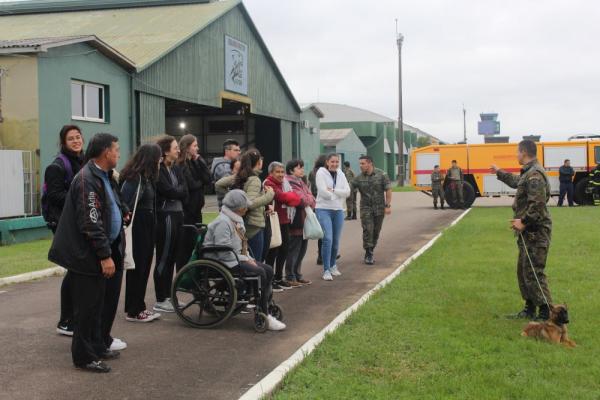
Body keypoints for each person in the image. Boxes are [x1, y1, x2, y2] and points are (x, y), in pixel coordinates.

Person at [48, 133, 127, 373]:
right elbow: (89, 222)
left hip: (102, 249)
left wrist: (122, 212)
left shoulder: (104, 176)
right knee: (86, 307)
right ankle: (83, 356)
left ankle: (97, 345)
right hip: (86, 255)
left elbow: (112, 203)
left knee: (99, 304)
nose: (119, 153)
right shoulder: (86, 179)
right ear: (105, 152)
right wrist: (104, 255)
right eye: (116, 149)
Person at [203, 190, 286, 331]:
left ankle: (265, 304)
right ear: (236, 208)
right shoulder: (223, 222)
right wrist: (245, 260)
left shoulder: (235, 220)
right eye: (244, 206)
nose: (247, 208)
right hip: (223, 262)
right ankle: (263, 312)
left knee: (268, 270)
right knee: (260, 272)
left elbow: (241, 246)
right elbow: (223, 251)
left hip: (234, 258)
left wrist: (248, 258)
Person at [491, 139, 553, 321]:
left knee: (534, 271)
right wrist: (499, 172)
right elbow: (516, 181)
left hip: (536, 231)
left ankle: (546, 311)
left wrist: (523, 222)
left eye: (518, 152)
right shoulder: (528, 174)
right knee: (524, 270)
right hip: (528, 233)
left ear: (524, 152)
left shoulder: (534, 175)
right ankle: (529, 308)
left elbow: (538, 205)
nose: (516, 155)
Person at [42, 125, 85, 336]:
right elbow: (55, 196)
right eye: (71, 139)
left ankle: (74, 317)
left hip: (78, 222)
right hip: (63, 224)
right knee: (73, 269)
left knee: (76, 271)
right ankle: (66, 320)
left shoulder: (83, 161)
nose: (76, 141)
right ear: (64, 142)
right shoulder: (57, 167)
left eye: (78, 137)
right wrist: (80, 195)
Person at [119, 143, 162, 323]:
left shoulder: (146, 178)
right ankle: (135, 310)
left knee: (143, 267)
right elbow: (124, 202)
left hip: (147, 225)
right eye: (158, 157)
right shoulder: (135, 178)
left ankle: (137, 306)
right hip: (138, 226)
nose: (160, 160)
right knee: (138, 268)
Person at [215, 149, 274, 262]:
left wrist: (232, 199)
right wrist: (269, 196)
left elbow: (218, 184)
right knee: (256, 262)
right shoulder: (254, 180)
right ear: (258, 162)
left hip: (243, 224)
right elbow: (250, 204)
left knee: (248, 260)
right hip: (254, 226)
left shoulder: (241, 176)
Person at [153, 135, 188, 313]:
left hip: (178, 215)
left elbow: (184, 189)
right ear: (166, 151)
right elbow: (169, 191)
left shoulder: (175, 169)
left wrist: (177, 192)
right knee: (164, 257)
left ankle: (169, 296)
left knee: (174, 256)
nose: (178, 150)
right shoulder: (158, 170)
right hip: (165, 217)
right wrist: (177, 192)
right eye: (175, 148)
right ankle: (160, 298)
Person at [264, 161, 301, 290]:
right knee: (273, 251)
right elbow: (284, 198)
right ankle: (270, 280)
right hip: (273, 221)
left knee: (284, 249)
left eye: (282, 172)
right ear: (271, 173)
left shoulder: (283, 184)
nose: (280, 174)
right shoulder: (268, 183)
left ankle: (279, 277)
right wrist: (290, 196)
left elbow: (296, 199)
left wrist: (290, 196)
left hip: (284, 220)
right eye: (277, 172)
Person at [176, 134, 211, 268]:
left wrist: (200, 161)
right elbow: (191, 184)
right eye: (195, 146)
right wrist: (201, 182)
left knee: (196, 244)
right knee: (185, 246)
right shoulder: (181, 164)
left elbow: (208, 179)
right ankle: (181, 274)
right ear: (187, 147)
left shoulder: (194, 162)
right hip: (187, 211)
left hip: (197, 210)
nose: (198, 148)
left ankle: (191, 274)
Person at [315, 153, 350, 281]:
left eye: (337, 162)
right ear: (327, 162)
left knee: (335, 242)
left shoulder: (341, 173)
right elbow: (323, 192)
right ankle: (326, 270)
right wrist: (336, 194)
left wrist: (334, 191)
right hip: (323, 209)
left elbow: (348, 192)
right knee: (328, 239)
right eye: (332, 162)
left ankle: (333, 265)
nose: (335, 164)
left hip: (338, 210)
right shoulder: (321, 172)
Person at [352, 155, 392, 265]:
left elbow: (388, 190)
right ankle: (368, 253)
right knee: (367, 229)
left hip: (379, 208)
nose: (360, 166)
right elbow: (348, 188)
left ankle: (371, 249)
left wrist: (387, 206)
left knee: (376, 231)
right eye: (360, 164)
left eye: (363, 163)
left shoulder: (382, 175)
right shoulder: (358, 178)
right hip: (365, 208)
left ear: (370, 163)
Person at [285, 159, 316, 286]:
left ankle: (297, 274)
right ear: (291, 170)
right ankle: (290, 276)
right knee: (294, 250)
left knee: (302, 250)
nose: (302, 170)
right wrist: (309, 199)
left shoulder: (301, 181)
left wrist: (309, 198)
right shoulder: (289, 182)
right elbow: (301, 200)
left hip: (304, 220)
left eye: (302, 167)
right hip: (296, 220)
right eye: (299, 168)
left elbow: (312, 198)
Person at [210, 139, 241, 208]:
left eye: (239, 150)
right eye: (236, 150)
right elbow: (230, 183)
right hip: (227, 206)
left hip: (235, 203)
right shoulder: (220, 165)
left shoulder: (234, 163)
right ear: (227, 151)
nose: (239, 152)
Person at [308, 155, 327, 265]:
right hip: (322, 202)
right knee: (325, 231)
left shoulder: (312, 172)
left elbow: (309, 186)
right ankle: (323, 255)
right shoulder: (322, 173)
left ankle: (321, 254)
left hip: (316, 203)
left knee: (322, 231)